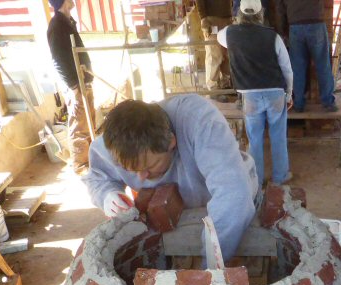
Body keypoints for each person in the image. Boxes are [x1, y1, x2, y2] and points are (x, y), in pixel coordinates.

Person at [84, 96, 259, 260]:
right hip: (172, 210)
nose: (141, 177)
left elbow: (234, 196)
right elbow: (97, 178)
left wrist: (209, 268)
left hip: (225, 202)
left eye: (149, 167)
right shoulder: (112, 143)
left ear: (171, 142)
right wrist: (107, 194)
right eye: (131, 170)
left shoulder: (201, 121)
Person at [218, 0, 293, 187]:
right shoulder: (273, 37)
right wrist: (289, 93)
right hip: (275, 93)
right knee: (278, 136)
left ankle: (256, 180)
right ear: (261, 13)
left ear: (240, 13)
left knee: (255, 139)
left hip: (250, 96)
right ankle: (280, 177)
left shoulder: (229, 34)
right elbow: (287, 68)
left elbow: (218, 35)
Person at [47, 0, 96, 175]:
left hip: (84, 81)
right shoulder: (56, 26)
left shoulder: (68, 21)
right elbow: (58, 61)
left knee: (89, 123)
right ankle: (80, 167)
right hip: (77, 85)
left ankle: (92, 161)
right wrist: (74, 88)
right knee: (80, 128)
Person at [275, 0, 337, 113]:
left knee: (297, 69)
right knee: (323, 65)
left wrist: (283, 30)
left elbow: (280, 8)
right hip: (316, 22)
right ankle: (328, 103)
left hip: (295, 25)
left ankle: (298, 104)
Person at [197, 0, 233, 91]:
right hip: (211, 20)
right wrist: (203, 18)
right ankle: (213, 87)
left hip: (227, 18)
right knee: (215, 56)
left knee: (226, 54)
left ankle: (226, 83)